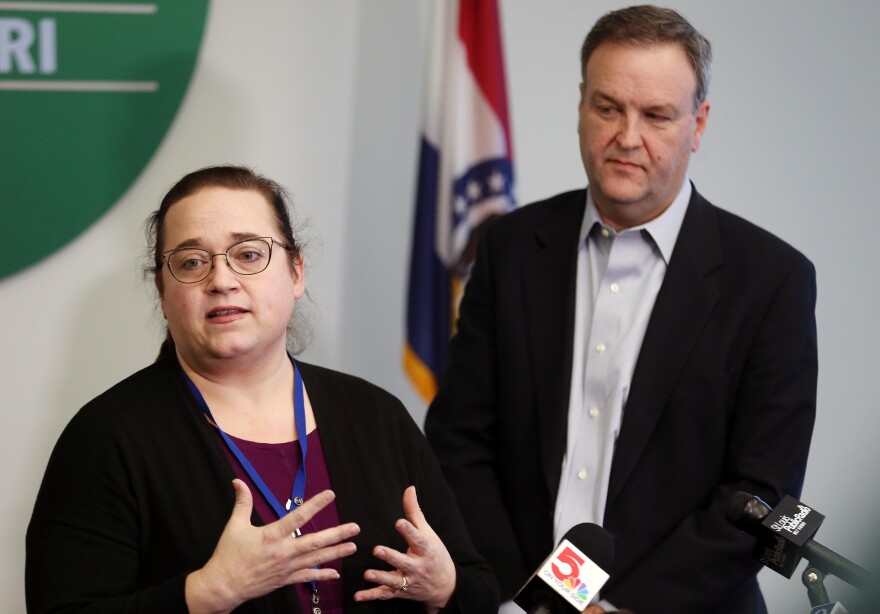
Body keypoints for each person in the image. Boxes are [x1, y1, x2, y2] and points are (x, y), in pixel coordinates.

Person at [425, 5, 817, 613]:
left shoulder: (772, 281)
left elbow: (760, 499)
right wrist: (535, 598)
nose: (627, 137)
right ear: (580, 105)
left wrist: (607, 608)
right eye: (608, 108)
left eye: (657, 115)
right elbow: (460, 442)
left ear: (699, 123)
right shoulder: (509, 247)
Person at [26, 165, 499, 613]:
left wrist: (445, 587)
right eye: (191, 262)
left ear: (296, 272)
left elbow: (477, 585)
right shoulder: (106, 437)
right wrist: (206, 593)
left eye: (248, 254)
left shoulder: (376, 414)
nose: (222, 280)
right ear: (162, 293)